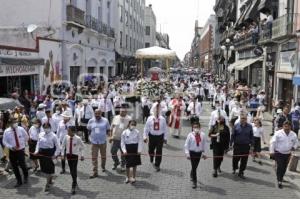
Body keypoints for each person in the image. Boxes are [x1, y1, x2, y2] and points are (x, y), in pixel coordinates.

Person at [270, 121, 298, 189]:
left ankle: (281, 177)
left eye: (288, 126)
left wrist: (294, 147)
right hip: (279, 153)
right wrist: (271, 151)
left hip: (287, 154)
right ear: (283, 126)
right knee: (280, 166)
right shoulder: (278, 133)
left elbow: (297, 142)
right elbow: (272, 142)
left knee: (284, 167)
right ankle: (279, 181)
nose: (286, 128)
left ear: (290, 127)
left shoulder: (293, 134)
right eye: (285, 126)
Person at [3, 117, 29, 187]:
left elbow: (26, 137)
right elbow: (4, 141)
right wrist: (11, 146)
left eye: (16, 122)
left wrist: (22, 145)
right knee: (14, 167)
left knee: (22, 164)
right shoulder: (6, 131)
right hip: (12, 151)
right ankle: (19, 181)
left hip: (20, 150)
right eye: (14, 122)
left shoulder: (21, 129)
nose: (15, 124)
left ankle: (26, 176)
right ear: (10, 123)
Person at [35, 122, 60, 191]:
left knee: (49, 169)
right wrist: (36, 151)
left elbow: (58, 147)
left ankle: (47, 184)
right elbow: (38, 143)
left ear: (50, 127)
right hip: (42, 154)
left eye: (47, 127)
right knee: (45, 170)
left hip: (50, 154)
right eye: (45, 127)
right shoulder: (40, 134)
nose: (46, 129)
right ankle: (50, 180)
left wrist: (55, 155)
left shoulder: (54, 136)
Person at [87, 109, 110, 178]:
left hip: (103, 142)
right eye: (95, 113)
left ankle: (103, 166)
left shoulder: (105, 120)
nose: (97, 115)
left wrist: (110, 137)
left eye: (98, 114)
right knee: (94, 157)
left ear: (101, 113)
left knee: (103, 156)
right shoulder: (91, 120)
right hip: (94, 142)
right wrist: (89, 138)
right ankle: (95, 172)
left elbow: (108, 129)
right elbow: (89, 129)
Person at [61, 126, 85, 194]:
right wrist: (62, 155)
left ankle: (73, 185)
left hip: (75, 156)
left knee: (74, 169)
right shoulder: (66, 137)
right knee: (71, 170)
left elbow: (83, 147)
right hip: (68, 155)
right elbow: (62, 146)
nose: (67, 132)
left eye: (69, 131)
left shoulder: (78, 138)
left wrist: (82, 155)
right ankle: (75, 179)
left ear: (73, 131)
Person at [184, 122, 208, 189]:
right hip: (192, 153)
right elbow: (186, 145)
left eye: (197, 127)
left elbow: (204, 145)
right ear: (192, 128)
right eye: (194, 127)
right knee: (194, 167)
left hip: (199, 153)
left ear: (199, 127)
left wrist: (204, 154)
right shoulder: (190, 135)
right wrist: (187, 154)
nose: (196, 128)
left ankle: (192, 173)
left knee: (195, 166)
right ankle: (195, 182)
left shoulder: (203, 135)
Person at [230, 113, 254, 179]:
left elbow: (251, 136)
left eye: (245, 119)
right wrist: (231, 144)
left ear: (246, 119)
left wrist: (252, 145)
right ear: (240, 119)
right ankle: (234, 168)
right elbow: (232, 135)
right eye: (242, 118)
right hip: (237, 146)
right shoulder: (236, 126)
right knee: (235, 159)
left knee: (244, 160)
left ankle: (241, 172)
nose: (243, 120)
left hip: (246, 146)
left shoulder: (250, 126)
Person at [109, 104, 131, 171]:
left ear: (126, 112)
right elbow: (111, 128)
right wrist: (110, 136)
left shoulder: (129, 119)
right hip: (115, 138)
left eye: (123, 111)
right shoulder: (115, 117)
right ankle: (116, 162)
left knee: (123, 153)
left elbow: (130, 130)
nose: (121, 113)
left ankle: (122, 165)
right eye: (120, 111)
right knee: (112, 152)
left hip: (123, 140)